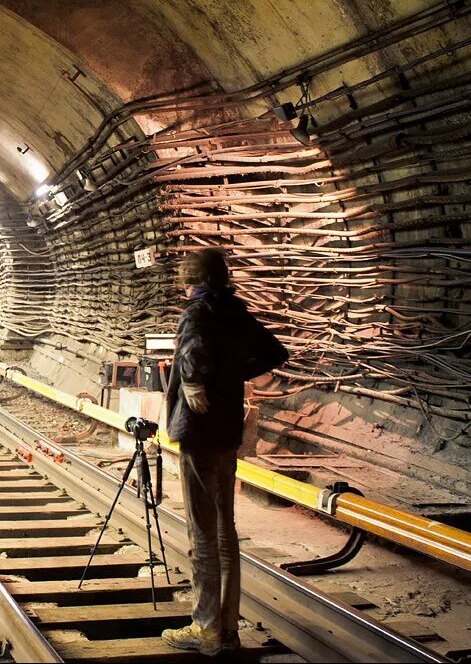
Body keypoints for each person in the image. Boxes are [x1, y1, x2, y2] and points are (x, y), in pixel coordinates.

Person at [161, 248, 288, 656]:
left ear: (190, 281)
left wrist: (197, 382)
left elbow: (193, 349)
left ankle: (206, 629)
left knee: (202, 534)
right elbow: (275, 353)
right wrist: (231, 374)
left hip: (198, 429)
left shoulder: (196, 311)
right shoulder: (236, 311)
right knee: (225, 531)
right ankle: (227, 631)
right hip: (228, 429)